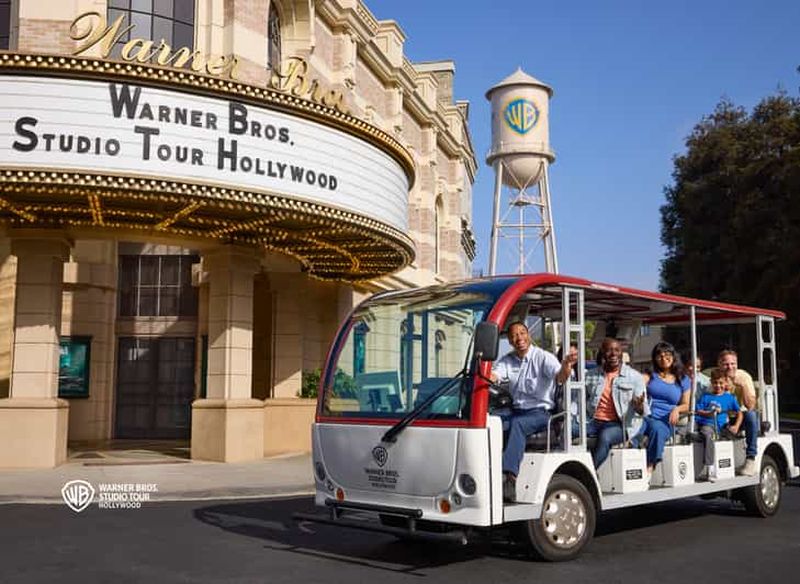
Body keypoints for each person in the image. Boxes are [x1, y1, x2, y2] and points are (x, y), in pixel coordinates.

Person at [491, 322, 576, 502]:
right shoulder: (507, 360)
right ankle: (487, 472)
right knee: (490, 422)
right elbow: (495, 375)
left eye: (522, 333)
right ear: (509, 340)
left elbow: (560, 377)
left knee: (517, 425)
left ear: (528, 335)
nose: (519, 338)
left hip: (540, 413)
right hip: (516, 411)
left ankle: (509, 478)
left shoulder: (543, 357)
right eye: (514, 335)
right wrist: (488, 376)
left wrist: (567, 365)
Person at [631, 342, 691, 478]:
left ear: (673, 356)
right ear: (655, 359)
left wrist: (677, 409)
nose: (664, 358)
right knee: (634, 428)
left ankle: (650, 466)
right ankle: (632, 461)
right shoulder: (650, 375)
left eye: (667, 355)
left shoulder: (683, 379)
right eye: (660, 356)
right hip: (647, 416)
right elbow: (637, 384)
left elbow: (687, 404)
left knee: (657, 429)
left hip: (666, 420)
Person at [585, 337, 647, 469]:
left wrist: (638, 406)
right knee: (568, 431)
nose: (613, 354)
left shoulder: (634, 377)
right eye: (609, 350)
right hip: (593, 421)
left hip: (620, 425)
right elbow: (580, 399)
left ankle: (589, 472)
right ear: (602, 352)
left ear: (621, 352)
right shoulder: (590, 375)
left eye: (617, 350)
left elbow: (644, 411)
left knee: (605, 436)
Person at [695, 368, 743, 481]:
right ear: (711, 382)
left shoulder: (729, 398)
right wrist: (709, 413)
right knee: (707, 434)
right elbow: (699, 411)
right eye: (715, 383)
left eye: (721, 383)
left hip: (721, 426)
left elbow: (740, 413)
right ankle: (710, 467)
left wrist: (736, 426)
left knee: (726, 435)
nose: (718, 385)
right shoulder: (706, 396)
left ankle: (717, 467)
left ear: (726, 382)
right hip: (706, 424)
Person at [717, 349, 759, 476]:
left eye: (733, 363)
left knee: (752, 415)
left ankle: (751, 459)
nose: (730, 367)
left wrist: (743, 386)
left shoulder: (744, 377)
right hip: (722, 417)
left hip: (741, 418)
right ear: (720, 365)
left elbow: (750, 406)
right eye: (726, 364)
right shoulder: (716, 378)